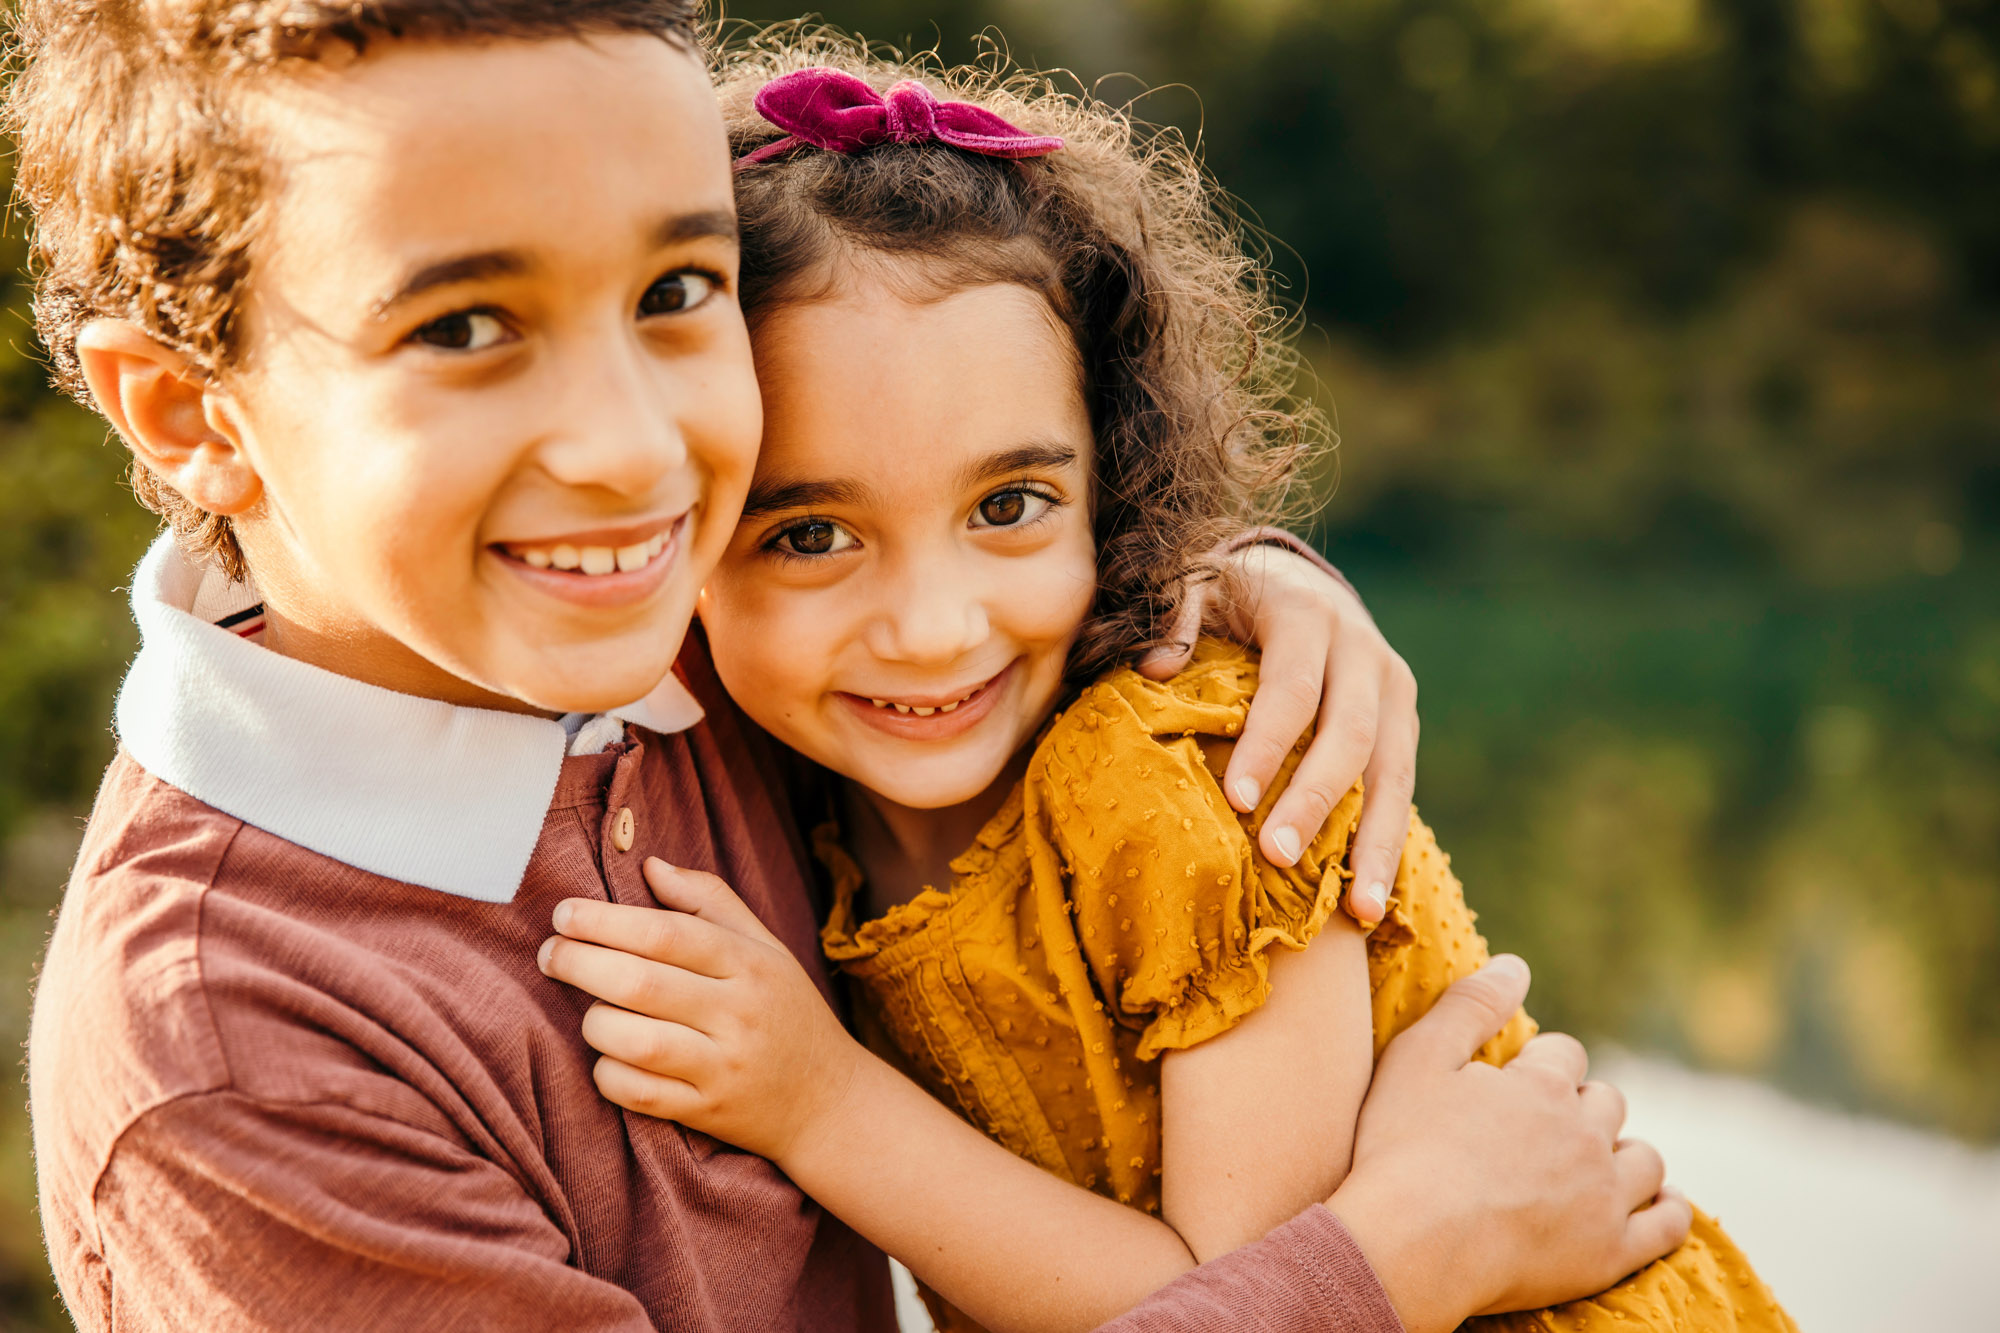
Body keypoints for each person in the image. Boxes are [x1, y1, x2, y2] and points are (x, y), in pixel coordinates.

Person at [14, 2, 1676, 1328]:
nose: (632, 450)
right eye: (465, 327)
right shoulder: (235, 1061)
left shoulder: (664, 647)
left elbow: (934, 500)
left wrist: (1227, 580)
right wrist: (1391, 1264)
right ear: (184, 409)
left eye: (676, 289)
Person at [538, 44, 1791, 1333]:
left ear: (1113, 488)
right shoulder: (774, 767)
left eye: (1010, 506)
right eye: (812, 535)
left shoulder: (1183, 779)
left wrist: (819, 1103)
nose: (930, 629)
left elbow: (1254, 1299)